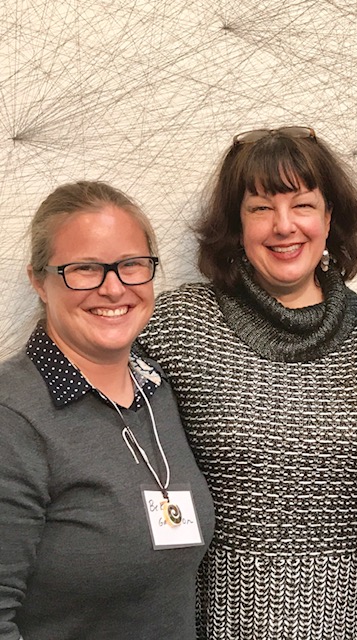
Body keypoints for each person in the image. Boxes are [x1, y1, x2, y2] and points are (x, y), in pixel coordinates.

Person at [139, 126, 357, 639]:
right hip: (220, 619)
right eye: (260, 208)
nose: (283, 226)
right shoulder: (179, 324)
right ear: (236, 223)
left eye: (302, 205)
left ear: (329, 218)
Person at [0, 181, 215, 640]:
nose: (114, 288)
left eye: (132, 265)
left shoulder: (157, 389)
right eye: (84, 269)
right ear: (38, 279)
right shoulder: (12, 416)